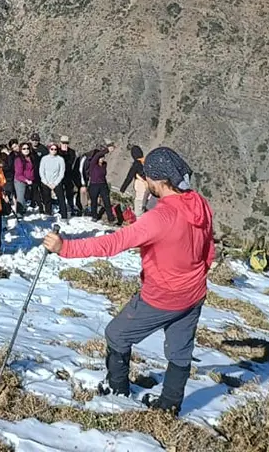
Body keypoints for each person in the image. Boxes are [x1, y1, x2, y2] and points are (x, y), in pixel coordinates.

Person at [43, 147, 214, 415]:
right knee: (180, 353)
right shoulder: (199, 204)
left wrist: (65, 248)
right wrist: (197, 276)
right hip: (193, 293)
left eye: (148, 178)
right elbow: (208, 250)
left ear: (159, 181)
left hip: (161, 296)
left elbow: (114, 243)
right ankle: (169, 406)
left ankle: (117, 389)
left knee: (117, 335)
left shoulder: (159, 218)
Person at [88, 142, 116, 223]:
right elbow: (97, 155)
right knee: (94, 202)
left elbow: (103, 176)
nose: (102, 158)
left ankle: (111, 218)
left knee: (107, 201)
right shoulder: (93, 164)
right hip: (94, 184)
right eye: (100, 157)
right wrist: (107, 150)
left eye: (103, 157)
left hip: (103, 184)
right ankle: (94, 216)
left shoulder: (104, 164)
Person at [39, 143, 69, 220]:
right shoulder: (44, 159)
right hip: (46, 182)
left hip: (57, 182)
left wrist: (55, 183)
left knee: (61, 198)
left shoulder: (60, 159)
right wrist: (46, 182)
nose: (53, 151)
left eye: (55, 149)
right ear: (49, 149)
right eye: (52, 149)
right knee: (47, 198)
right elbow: (41, 171)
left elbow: (62, 172)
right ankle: (48, 213)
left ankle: (64, 215)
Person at [121, 145, 148, 217]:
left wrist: (122, 189)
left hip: (141, 192)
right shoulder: (147, 162)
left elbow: (129, 177)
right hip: (151, 192)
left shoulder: (136, 165)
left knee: (139, 213)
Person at [13, 142, 35, 216]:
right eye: (24, 149)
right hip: (20, 180)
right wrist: (26, 180)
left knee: (26, 196)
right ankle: (18, 214)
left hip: (29, 180)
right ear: (20, 150)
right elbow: (19, 174)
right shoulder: (18, 160)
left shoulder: (31, 157)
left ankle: (23, 209)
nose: (26, 150)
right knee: (20, 197)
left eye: (28, 148)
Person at [58, 136, 78, 216]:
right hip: (59, 176)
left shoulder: (71, 152)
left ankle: (71, 207)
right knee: (60, 193)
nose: (65, 145)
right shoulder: (57, 151)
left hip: (68, 175)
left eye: (66, 143)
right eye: (63, 143)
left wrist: (65, 153)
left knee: (69, 192)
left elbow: (70, 162)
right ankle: (61, 208)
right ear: (60, 143)